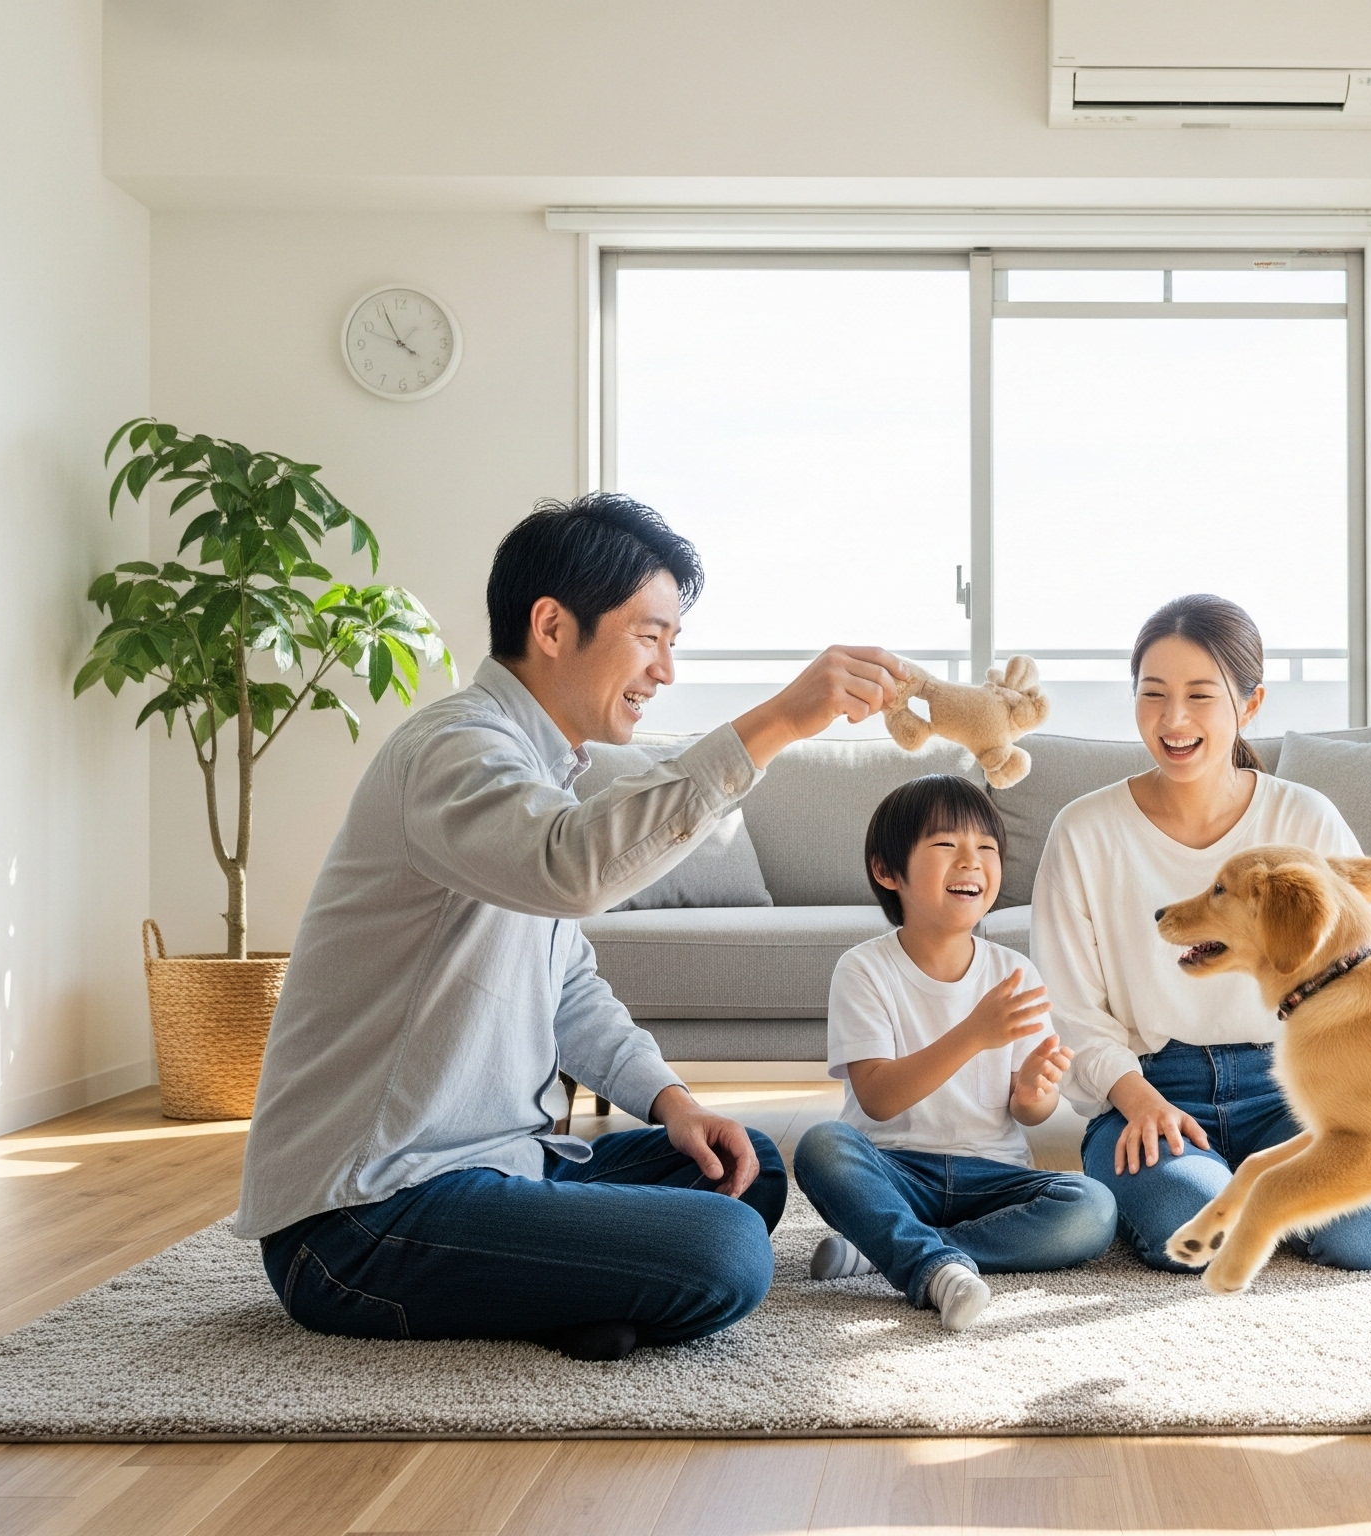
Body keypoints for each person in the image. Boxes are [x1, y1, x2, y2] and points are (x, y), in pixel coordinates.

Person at [234, 492, 910, 1360]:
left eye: (674, 643)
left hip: (499, 1165)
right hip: (364, 1217)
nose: (665, 670)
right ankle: (577, 1288)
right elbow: (573, 868)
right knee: (727, 1250)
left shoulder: (535, 770)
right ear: (552, 626)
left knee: (743, 1166)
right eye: (650, 636)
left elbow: (568, 987)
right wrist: (777, 722)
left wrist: (672, 1103)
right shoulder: (455, 753)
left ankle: (564, 1294)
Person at [1035, 594, 1371, 1272]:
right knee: (1182, 1228)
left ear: (1250, 704)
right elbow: (1071, 1014)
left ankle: (1256, 1192)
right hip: (1152, 1082)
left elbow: (1362, 970)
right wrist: (1136, 1101)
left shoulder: (1304, 818)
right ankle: (1236, 1191)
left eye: (1199, 695)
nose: (1173, 719)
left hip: (1292, 1078)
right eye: (1152, 694)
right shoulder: (1084, 831)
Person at [792, 775, 1116, 1330]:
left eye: (986, 849)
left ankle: (891, 1250)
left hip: (991, 1177)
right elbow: (877, 1099)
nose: (971, 861)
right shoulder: (864, 969)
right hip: (896, 1168)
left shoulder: (1013, 972)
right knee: (822, 1146)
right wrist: (973, 1034)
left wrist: (1036, 1091)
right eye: (947, 846)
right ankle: (927, 1261)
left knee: (1091, 1207)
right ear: (886, 870)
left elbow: (1027, 1112)